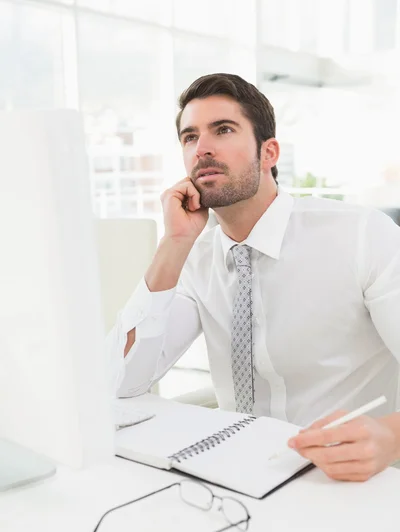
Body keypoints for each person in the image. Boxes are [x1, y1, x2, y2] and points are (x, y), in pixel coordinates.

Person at [107, 73, 400, 483]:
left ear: (269, 153)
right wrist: (173, 243)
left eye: (223, 130)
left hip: (344, 479)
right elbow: (119, 383)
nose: (202, 148)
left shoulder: (362, 236)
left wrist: (390, 437)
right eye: (189, 137)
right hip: (235, 475)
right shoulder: (196, 257)